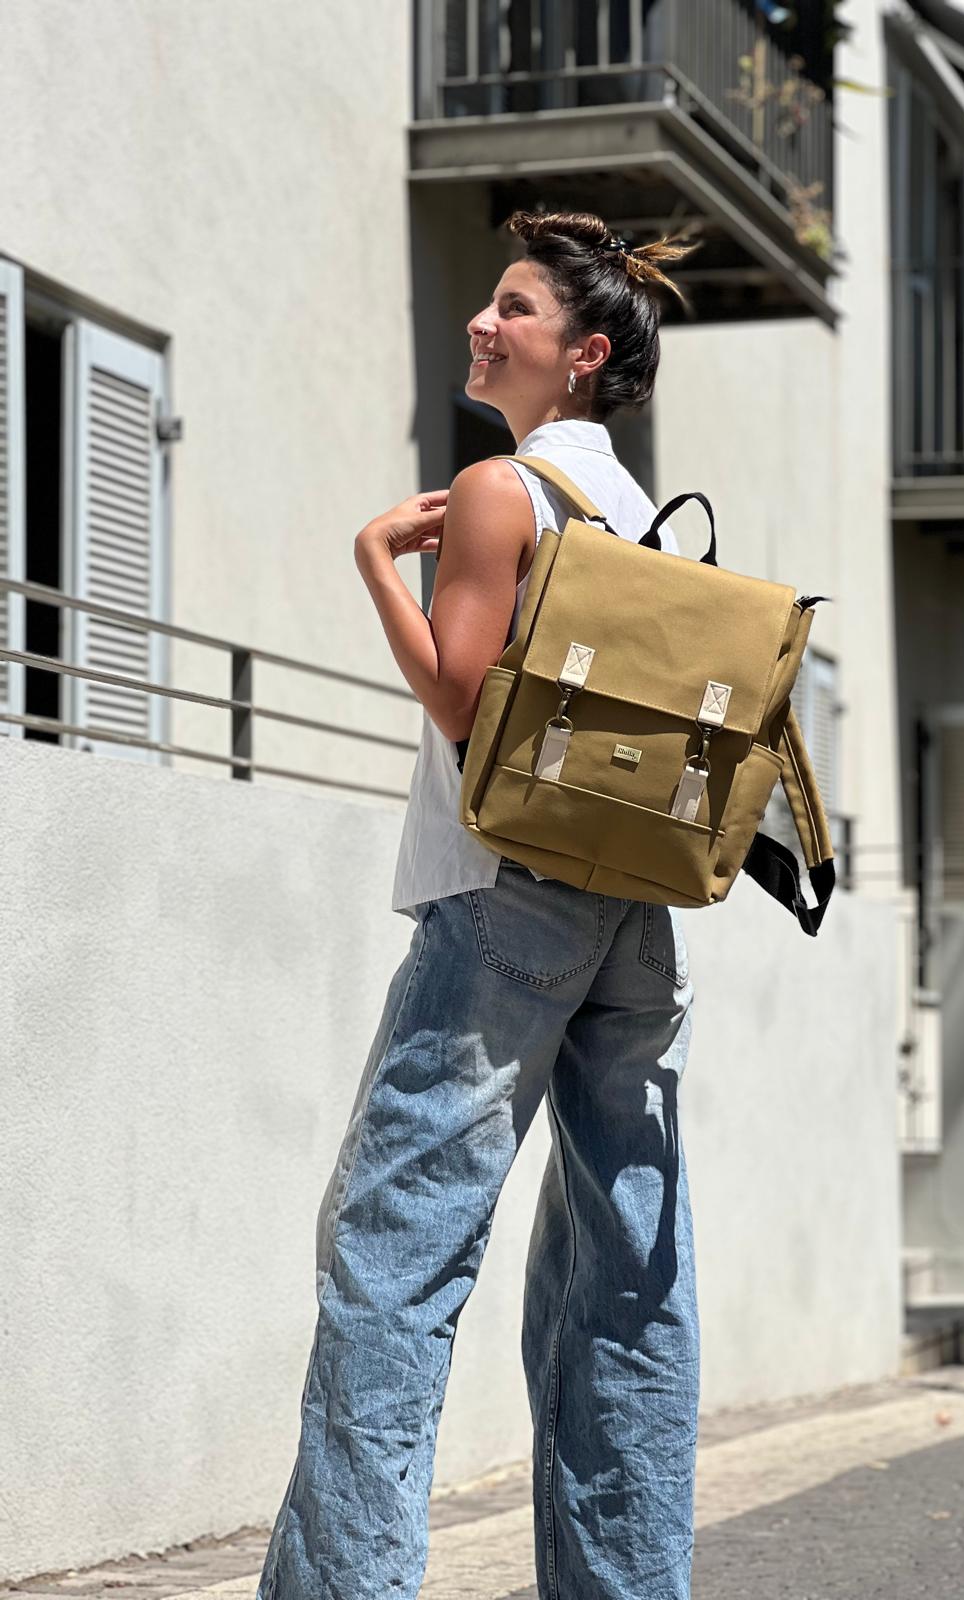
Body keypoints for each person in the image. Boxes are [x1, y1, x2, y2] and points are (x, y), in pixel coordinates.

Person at [255, 208, 705, 1600]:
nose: (482, 323)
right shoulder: (641, 513)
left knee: (389, 1258)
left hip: (504, 901)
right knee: (623, 1275)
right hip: (635, 911)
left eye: (513, 308)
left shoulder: (504, 493)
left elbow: (461, 702)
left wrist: (374, 560)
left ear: (578, 356)